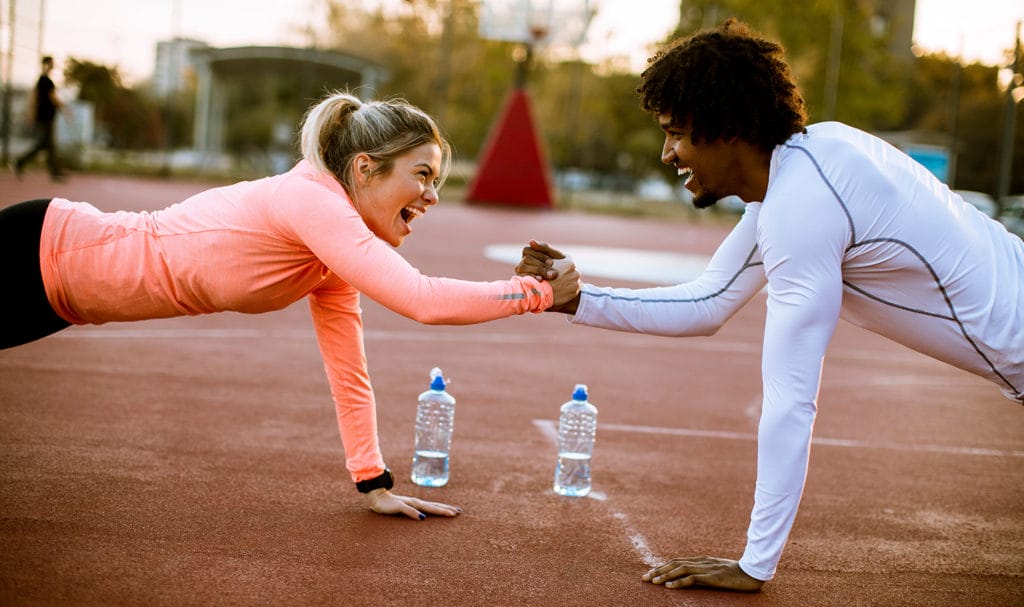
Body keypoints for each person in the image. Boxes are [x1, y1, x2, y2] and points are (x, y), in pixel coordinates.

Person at [518, 19, 1023, 593]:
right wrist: (577, 299)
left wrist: (754, 563)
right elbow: (706, 302)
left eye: (677, 132)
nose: (667, 153)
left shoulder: (800, 202)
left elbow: (790, 401)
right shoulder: (805, 169)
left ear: (729, 128)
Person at [0, 90, 581, 521]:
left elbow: (349, 372)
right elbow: (419, 298)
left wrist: (372, 481)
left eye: (438, 181)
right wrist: (535, 294)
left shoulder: (330, 255)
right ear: (364, 168)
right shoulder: (310, 199)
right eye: (423, 175)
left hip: (59, 300)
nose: (432, 195)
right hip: (38, 248)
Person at [14, 55, 64, 181]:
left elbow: (34, 97)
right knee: (46, 145)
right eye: (51, 63)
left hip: (44, 117)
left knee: (47, 145)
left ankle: (54, 172)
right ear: (47, 64)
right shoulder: (46, 81)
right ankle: (54, 172)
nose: (53, 66)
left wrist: (32, 113)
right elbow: (51, 97)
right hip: (46, 117)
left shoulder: (41, 80)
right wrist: (64, 109)